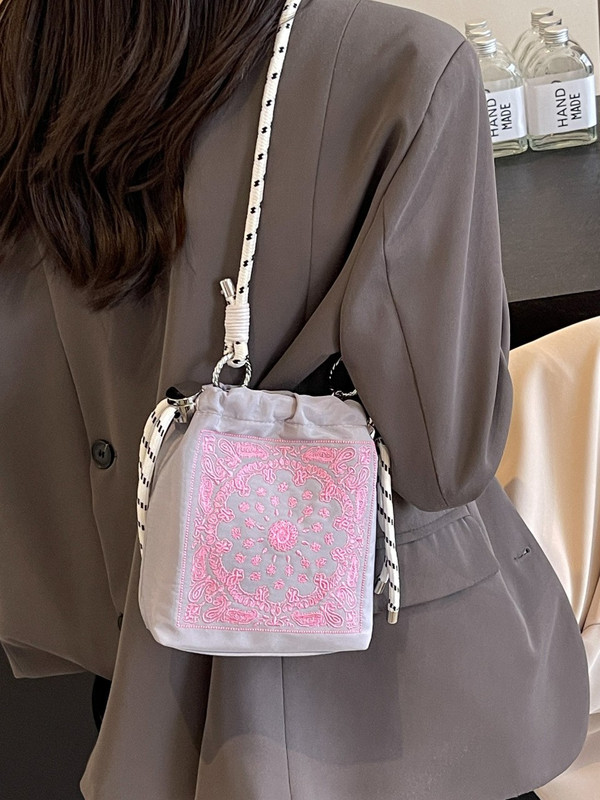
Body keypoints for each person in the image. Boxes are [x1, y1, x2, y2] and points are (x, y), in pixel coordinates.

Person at [0, 1, 589, 798]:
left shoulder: (31, 65)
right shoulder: (400, 67)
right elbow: (445, 462)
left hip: (137, 693)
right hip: (383, 708)